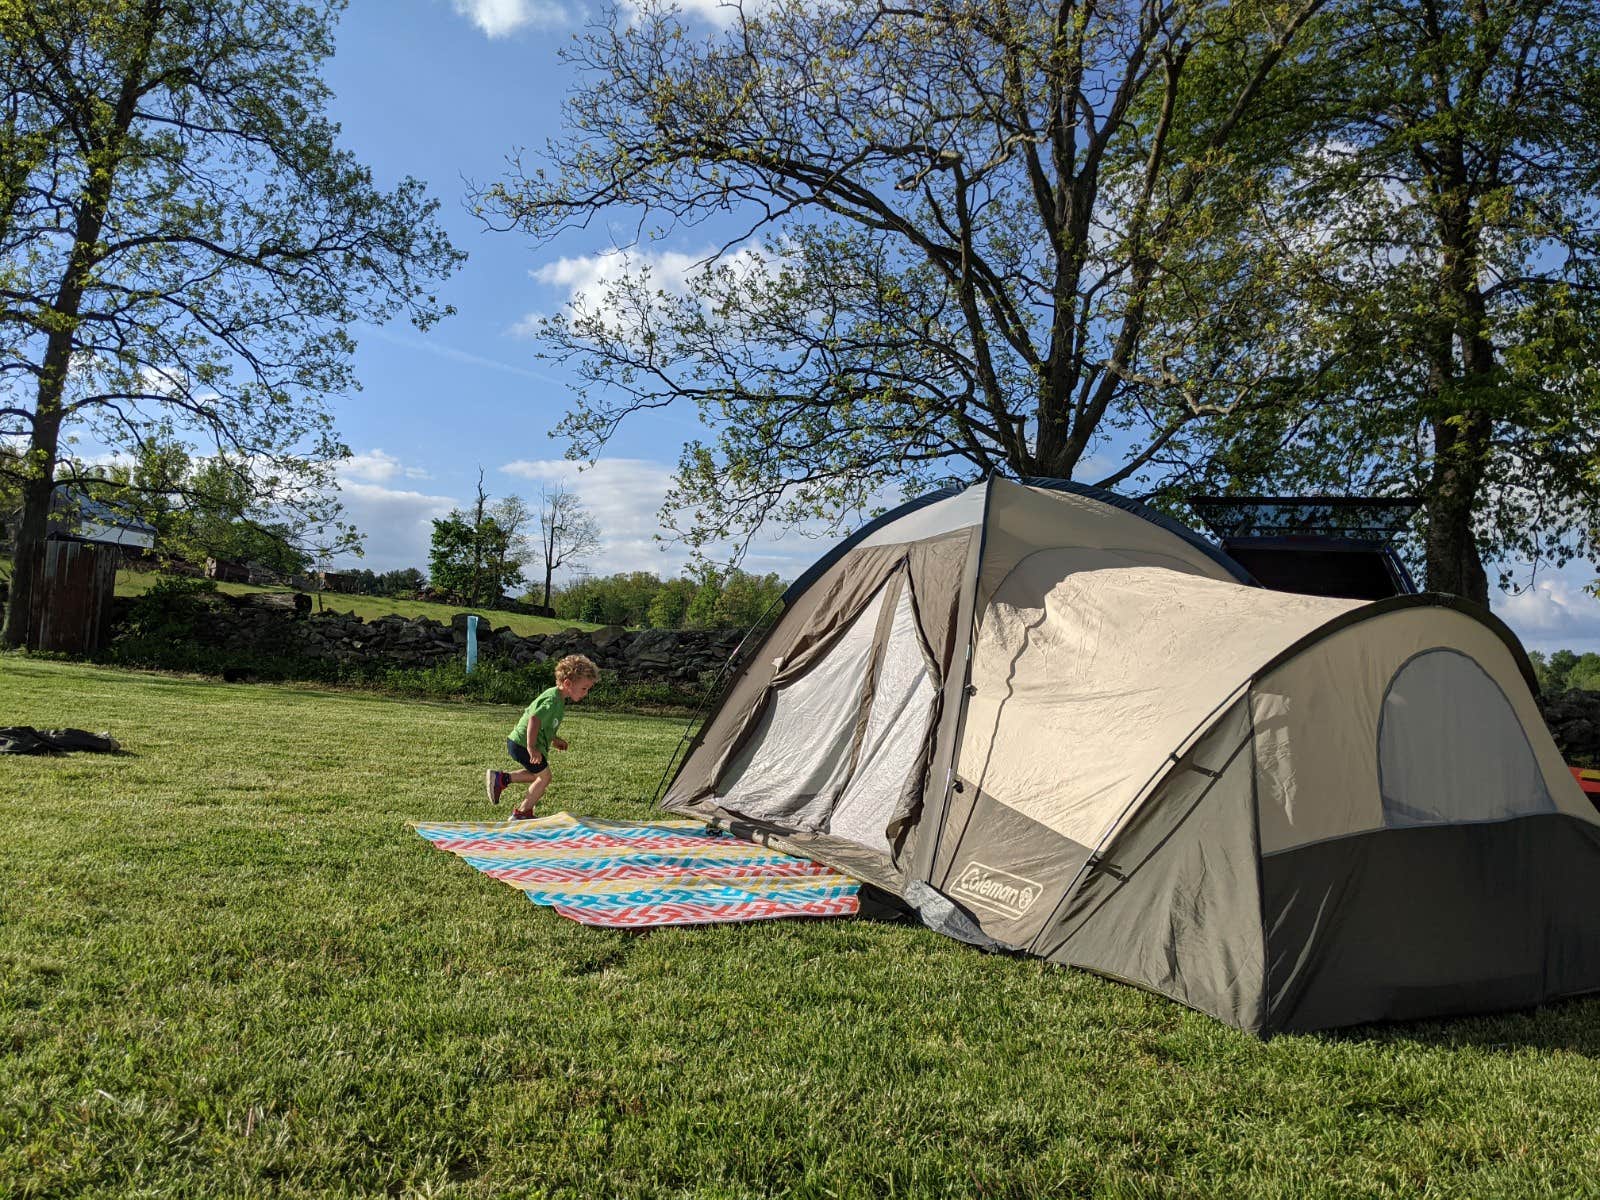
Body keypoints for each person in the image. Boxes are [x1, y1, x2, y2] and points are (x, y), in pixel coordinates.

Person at [485, 653, 600, 819]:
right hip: (522, 744)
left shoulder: (558, 700)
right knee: (545, 777)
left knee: (537, 775)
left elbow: (544, 725)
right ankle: (522, 813)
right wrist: (531, 747)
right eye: (584, 688)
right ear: (567, 683)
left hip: (520, 743)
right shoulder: (552, 700)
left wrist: (554, 739)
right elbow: (534, 719)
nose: (586, 693)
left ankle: (501, 779)